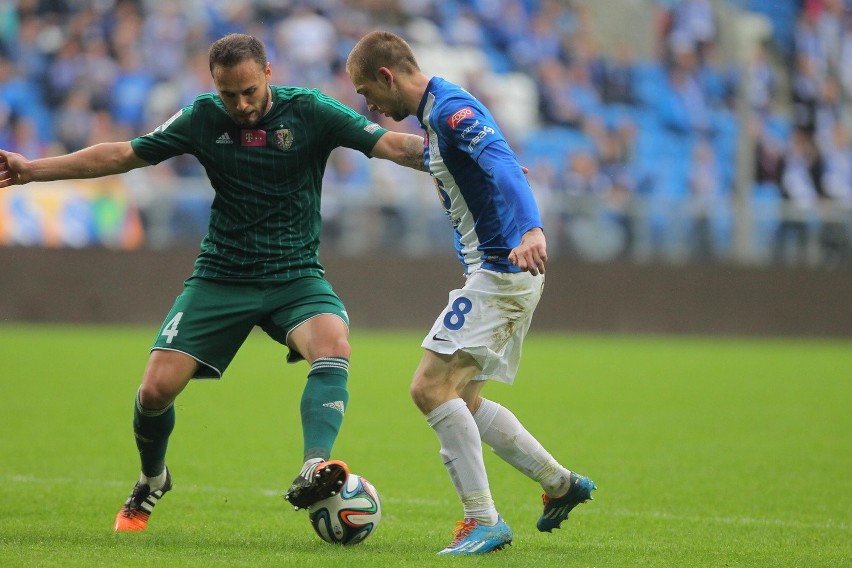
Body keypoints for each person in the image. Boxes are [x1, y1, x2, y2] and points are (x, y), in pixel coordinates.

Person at [0, 33, 425, 532]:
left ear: (269, 73)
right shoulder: (203, 117)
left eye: (248, 91)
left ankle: (314, 464)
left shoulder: (310, 110)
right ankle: (153, 478)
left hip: (295, 275)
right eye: (229, 94)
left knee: (334, 344)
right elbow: (121, 155)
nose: (241, 105)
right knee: (156, 390)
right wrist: (32, 169)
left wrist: (469, 152)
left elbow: (394, 144)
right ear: (214, 86)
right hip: (223, 275)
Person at [345, 31, 596, 555]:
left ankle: (483, 520)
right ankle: (559, 484)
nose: (369, 104)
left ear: (388, 77)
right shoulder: (436, 116)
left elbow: (502, 160)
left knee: (428, 389)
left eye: (368, 92)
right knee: (465, 397)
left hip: (501, 271)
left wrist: (531, 227)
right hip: (500, 275)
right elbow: (478, 161)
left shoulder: (450, 110)